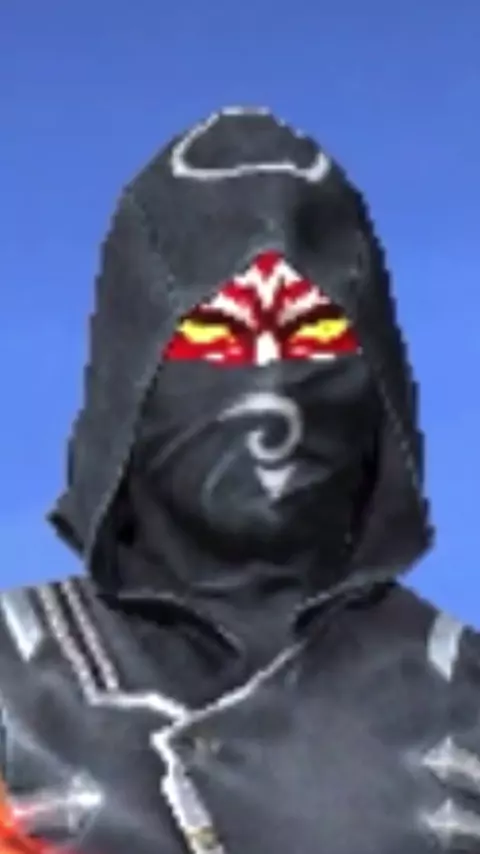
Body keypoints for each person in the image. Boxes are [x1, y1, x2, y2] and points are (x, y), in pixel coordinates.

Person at [0, 106, 479, 854]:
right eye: (217, 335)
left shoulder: (461, 698)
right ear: (133, 367)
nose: (273, 388)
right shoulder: (16, 678)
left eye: (313, 332)